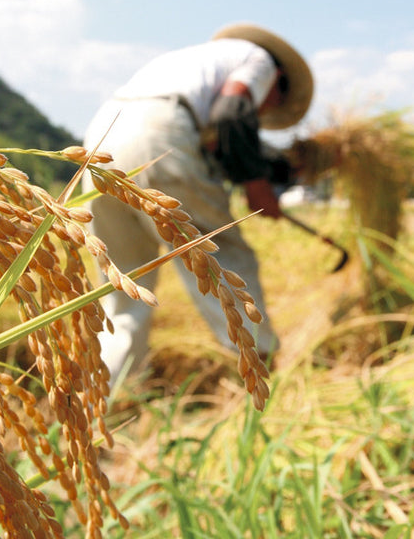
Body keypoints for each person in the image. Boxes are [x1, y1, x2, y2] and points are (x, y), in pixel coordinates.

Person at [83, 23, 314, 386]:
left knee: (124, 283)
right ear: (278, 79)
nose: (266, 110)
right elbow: (232, 113)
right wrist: (257, 187)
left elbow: (217, 139)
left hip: (100, 138)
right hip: (157, 134)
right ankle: (260, 374)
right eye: (274, 103)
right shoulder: (260, 61)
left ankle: (106, 401)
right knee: (219, 256)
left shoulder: (188, 64)